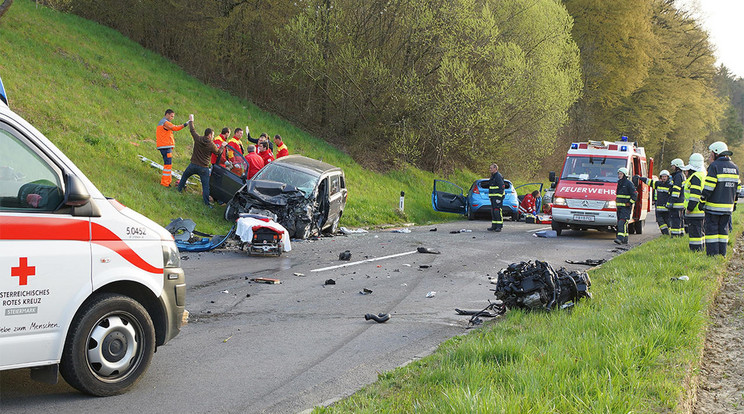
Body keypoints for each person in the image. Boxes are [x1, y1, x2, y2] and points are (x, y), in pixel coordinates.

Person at [702, 141, 740, 256]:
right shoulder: (735, 167)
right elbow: (737, 190)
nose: (710, 155)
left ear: (716, 153)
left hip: (713, 207)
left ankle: (713, 256)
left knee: (712, 231)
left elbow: (709, 188)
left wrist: (701, 201)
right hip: (728, 208)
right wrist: (734, 204)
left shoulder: (714, 166)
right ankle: (722, 254)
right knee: (723, 231)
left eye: (711, 153)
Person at [177, 115, 224, 207]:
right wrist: (223, 146)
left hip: (193, 165)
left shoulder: (198, 139)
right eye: (213, 135)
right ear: (209, 135)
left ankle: (179, 190)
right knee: (206, 186)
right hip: (203, 168)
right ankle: (206, 203)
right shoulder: (211, 145)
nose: (213, 137)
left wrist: (191, 120)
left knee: (184, 177)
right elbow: (218, 153)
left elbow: (192, 130)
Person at [155, 109, 188, 187]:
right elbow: (175, 128)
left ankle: (167, 181)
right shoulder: (165, 123)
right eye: (171, 116)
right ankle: (165, 183)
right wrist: (186, 124)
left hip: (163, 146)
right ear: (167, 114)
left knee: (168, 164)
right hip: (166, 147)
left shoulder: (162, 122)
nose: (172, 118)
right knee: (168, 165)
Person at [638, 170, 672, 235]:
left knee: (668, 222)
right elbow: (649, 182)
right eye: (663, 176)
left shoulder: (670, 185)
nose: (664, 178)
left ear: (668, 177)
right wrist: (640, 178)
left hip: (667, 209)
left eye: (665, 176)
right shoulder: (658, 184)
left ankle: (670, 235)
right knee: (660, 222)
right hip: (659, 209)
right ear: (660, 177)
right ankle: (665, 234)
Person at [684, 153, 706, 252]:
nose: (685, 173)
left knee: (695, 234)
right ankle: (701, 249)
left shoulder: (695, 177)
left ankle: (695, 251)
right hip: (702, 210)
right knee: (701, 232)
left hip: (695, 212)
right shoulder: (703, 175)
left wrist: (689, 208)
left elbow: (694, 195)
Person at [614, 167, 637, 245]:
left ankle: (620, 238)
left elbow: (634, 195)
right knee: (622, 223)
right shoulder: (619, 183)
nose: (619, 175)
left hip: (626, 208)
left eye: (620, 174)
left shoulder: (629, 184)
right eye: (618, 174)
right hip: (619, 207)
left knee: (622, 222)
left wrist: (630, 203)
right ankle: (625, 239)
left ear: (625, 174)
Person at [667, 158, 686, 237]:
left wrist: (672, 201)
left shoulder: (678, 176)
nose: (672, 167)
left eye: (673, 166)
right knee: (680, 219)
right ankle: (681, 233)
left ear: (677, 166)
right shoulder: (681, 175)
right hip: (680, 201)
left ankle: (675, 235)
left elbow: (676, 190)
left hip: (677, 202)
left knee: (675, 219)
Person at [487, 163, 504, 232]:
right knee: (493, 212)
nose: (490, 169)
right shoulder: (493, 176)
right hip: (493, 197)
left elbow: (501, 187)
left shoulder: (498, 176)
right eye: (490, 168)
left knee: (497, 211)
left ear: (495, 169)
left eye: (491, 168)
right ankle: (494, 226)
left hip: (498, 198)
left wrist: (499, 198)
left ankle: (499, 226)